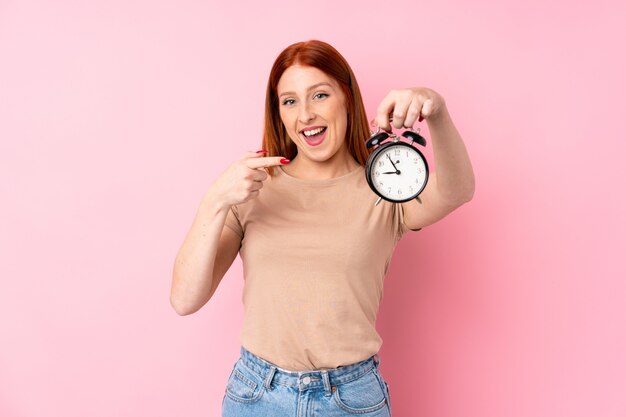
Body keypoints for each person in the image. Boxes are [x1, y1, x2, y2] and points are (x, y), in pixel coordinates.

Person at [170, 40, 475, 417]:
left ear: (347, 98)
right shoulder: (253, 188)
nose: (306, 115)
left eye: (319, 95)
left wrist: (437, 109)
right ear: (278, 113)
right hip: (257, 394)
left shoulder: (385, 186)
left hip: (351, 398)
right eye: (290, 101)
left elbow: (458, 190)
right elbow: (185, 299)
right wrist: (214, 201)